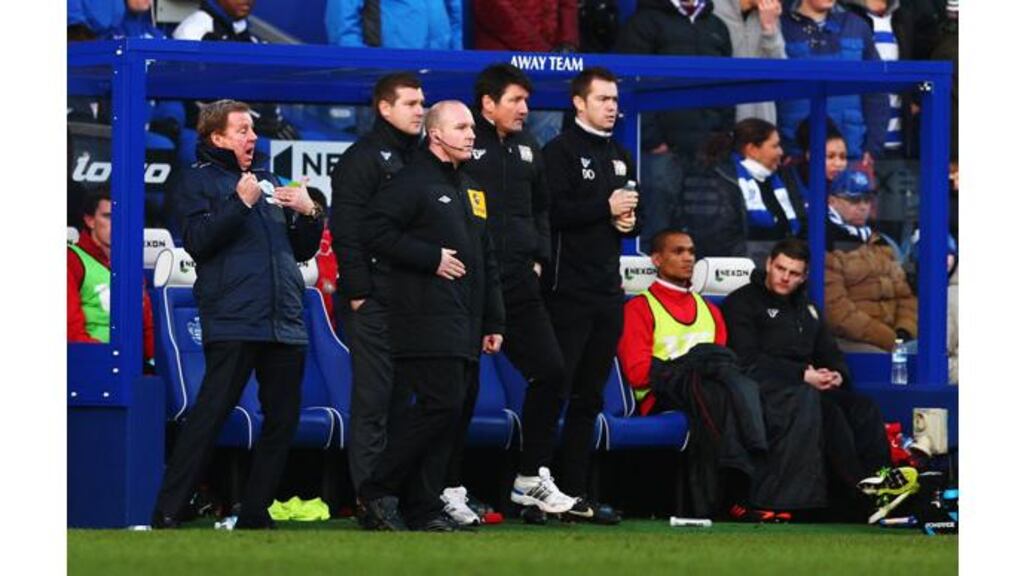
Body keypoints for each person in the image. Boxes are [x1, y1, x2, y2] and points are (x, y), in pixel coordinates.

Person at [150, 100, 324, 530]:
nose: (253, 137)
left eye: (253, 130)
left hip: (284, 316)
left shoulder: (266, 179)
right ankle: (168, 510)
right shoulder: (195, 180)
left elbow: (300, 250)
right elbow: (199, 242)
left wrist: (310, 214)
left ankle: (254, 510)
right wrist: (241, 204)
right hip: (233, 316)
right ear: (217, 137)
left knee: (283, 420)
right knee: (210, 415)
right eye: (243, 130)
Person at [357, 101, 505, 532]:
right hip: (424, 315)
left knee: (451, 415)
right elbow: (374, 230)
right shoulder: (412, 180)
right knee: (440, 407)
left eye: (473, 128)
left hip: (467, 320)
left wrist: (494, 321)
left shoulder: (472, 187)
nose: (471, 134)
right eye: (461, 127)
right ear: (436, 134)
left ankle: (422, 506)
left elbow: (487, 257)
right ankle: (376, 489)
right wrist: (429, 257)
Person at [618, 229, 826, 520]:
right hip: (663, 395)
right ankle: (735, 496)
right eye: (678, 252)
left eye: (691, 251)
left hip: (715, 390)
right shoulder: (639, 308)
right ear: (656, 259)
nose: (688, 258)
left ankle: (770, 495)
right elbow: (638, 373)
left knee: (764, 392)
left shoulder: (709, 311)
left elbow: (729, 366)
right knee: (721, 392)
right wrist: (692, 366)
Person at [722, 238, 915, 522]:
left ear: (804, 276)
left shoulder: (807, 308)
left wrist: (836, 374)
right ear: (769, 264)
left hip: (808, 385)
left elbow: (829, 351)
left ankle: (883, 482)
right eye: (780, 269)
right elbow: (746, 358)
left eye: (794, 273)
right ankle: (861, 493)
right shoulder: (742, 302)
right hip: (768, 388)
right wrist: (802, 375)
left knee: (862, 407)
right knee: (829, 412)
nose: (785, 277)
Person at [460, 64, 576, 524]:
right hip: (471, 283)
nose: (525, 110)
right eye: (515, 101)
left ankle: (530, 477)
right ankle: (447, 487)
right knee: (459, 390)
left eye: (527, 101)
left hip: (520, 281)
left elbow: (542, 207)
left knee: (551, 371)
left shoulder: (529, 147)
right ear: (488, 103)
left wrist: (538, 256)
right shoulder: (466, 142)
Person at [541, 67, 639, 525]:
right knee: (553, 389)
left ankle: (576, 492)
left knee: (589, 397)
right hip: (566, 290)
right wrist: (605, 208)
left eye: (615, 98)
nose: (612, 106)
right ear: (579, 103)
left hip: (607, 290)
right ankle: (536, 485)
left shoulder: (620, 153)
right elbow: (552, 213)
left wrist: (627, 223)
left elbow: (633, 214)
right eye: (603, 98)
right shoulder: (558, 151)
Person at [327, 73, 425, 513]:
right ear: (384, 108)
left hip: (412, 298)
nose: (420, 110)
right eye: (410, 103)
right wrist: (359, 291)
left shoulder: (421, 157)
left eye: (422, 103)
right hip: (373, 298)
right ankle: (371, 499)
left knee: (405, 403)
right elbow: (345, 228)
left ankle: (397, 493)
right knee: (373, 401)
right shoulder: (362, 158)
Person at [615, 0, 734, 249]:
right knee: (655, 229)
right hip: (660, 152)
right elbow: (628, 82)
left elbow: (728, 84)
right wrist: (652, 139)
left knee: (707, 232)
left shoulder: (717, 25)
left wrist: (723, 135)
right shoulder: (644, 22)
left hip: (707, 152)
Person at [778, 0, 887, 167]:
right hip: (795, 156)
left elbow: (876, 90)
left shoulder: (856, 26)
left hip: (850, 153)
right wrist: (779, 148)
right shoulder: (780, 24)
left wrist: (873, 147)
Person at [824, 169, 917, 352]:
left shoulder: (880, 242)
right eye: (854, 200)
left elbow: (905, 296)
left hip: (894, 339)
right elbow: (837, 313)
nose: (863, 206)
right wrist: (890, 339)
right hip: (849, 342)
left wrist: (904, 331)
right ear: (832, 201)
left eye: (867, 200)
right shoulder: (825, 242)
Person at [689, 118, 806, 261]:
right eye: (775, 146)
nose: (781, 152)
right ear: (752, 150)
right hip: (744, 269)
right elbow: (717, 239)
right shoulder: (720, 180)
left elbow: (801, 223)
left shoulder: (782, 177)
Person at [67, 188, 156, 369]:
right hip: (91, 364)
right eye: (107, 216)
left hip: (132, 365)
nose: (116, 223)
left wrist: (155, 364)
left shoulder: (130, 264)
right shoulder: (72, 260)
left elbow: (147, 328)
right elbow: (70, 329)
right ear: (90, 220)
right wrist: (106, 360)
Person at [714, 0, 786, 123]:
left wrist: (769, 30)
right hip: (723, 114)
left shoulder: (769, 14)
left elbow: (781, 68)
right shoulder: (714, 9)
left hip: (762, 117)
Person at [325, 0, 463, 49]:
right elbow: (342, 24)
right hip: (387, 67)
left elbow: (456, 14)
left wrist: (455, 55)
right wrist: (361, 64)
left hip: (438, 63)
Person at [472, 0, 578, 52]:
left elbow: (567, 5)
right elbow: (493, 9)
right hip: (503, 53)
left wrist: (567, 42)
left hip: (553, 54)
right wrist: (540, 49)